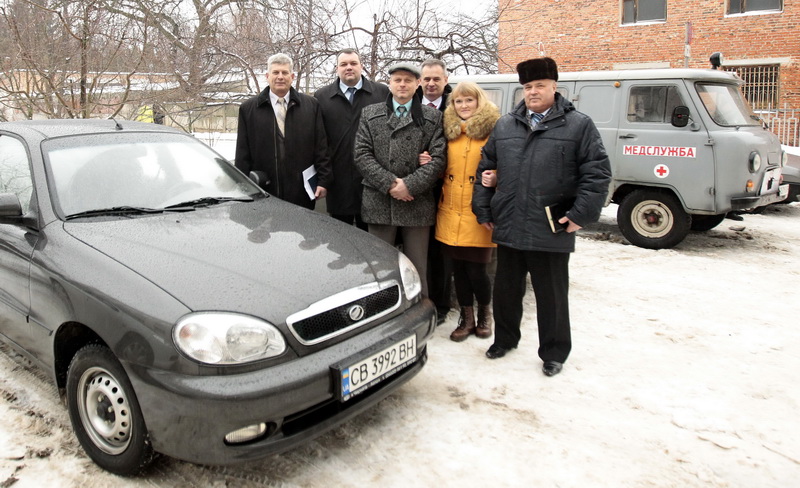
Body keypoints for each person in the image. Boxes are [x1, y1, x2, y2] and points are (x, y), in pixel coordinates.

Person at [472, 57, 612, 377]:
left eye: (539, 86)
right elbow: (486, 169)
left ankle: (554, 351)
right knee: (506, 290)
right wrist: (483, 207)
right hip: (509, 220)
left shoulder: (578, 125)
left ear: (554, 87)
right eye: (527, 87)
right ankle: (504, 340)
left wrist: (581, 214)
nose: (533, 92)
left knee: (552, 295)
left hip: (552, 225)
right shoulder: (506, 124)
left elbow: (597, 173)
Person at [354, 62, 446, 298]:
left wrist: (409, 185)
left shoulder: (433, 118)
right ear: (390, 84)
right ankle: (381, 313)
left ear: (417, 84)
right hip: (379, 200)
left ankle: (420, 311)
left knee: (417, 267)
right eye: (397, 80)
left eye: (408, 80)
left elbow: (438, 159)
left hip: (417, 201)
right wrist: (392, 185)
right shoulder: (370, 114)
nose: (402, 84)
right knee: (380, 268)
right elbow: (362, 154)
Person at [430, 82, 500, 342]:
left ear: (479, 102)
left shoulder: (493, 131)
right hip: (450, 210)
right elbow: (442, 164)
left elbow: (508, 163)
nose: (464, 106)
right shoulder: (449, 132)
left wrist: (497, 179)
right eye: (458, 102)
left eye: (469, 100)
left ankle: (484, 315)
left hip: (478, 211)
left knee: (478, 271)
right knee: (458, 269)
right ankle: (466, 318)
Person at [235, 53, 332, 210]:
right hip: (264, 191)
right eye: (275, 72)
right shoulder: (248, 109)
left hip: (301, 191)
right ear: (267, 76)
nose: (280, 77)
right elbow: (242, 152)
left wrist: (323, 181)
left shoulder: (311, 106)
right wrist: (243, 186)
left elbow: (321, 147)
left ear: (292, 76)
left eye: (285, 73)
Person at [314, 49, 390, 230]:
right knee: (342, 240)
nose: (349, 67)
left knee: (372, 239)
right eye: (344, 64)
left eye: (353, 63)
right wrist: (323, 178)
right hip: (338, 181)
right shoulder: (322, 97)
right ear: (337, 69)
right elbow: (319, 141)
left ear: (361, 66)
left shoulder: (381, 92)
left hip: (373, 181)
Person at [416, 58, 455, 324]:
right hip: (417, 190)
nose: (431, 84)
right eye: (426, 79)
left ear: (445, 81)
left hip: (449, 189)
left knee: (442, 254)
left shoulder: (458, 106)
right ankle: (420, 301)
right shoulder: (409, 106)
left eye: (436, 79)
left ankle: (441, 305)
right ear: (420, 81)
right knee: (421, 251)